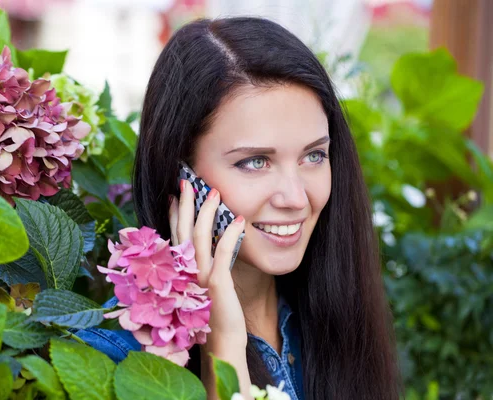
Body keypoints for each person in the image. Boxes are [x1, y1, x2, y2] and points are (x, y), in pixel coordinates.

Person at [76, 16, 400, 400]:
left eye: (314, 155)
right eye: (255, 162)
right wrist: (224, 349)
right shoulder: (116, 356)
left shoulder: (331, 313)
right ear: (182, 173)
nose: (296, 198)